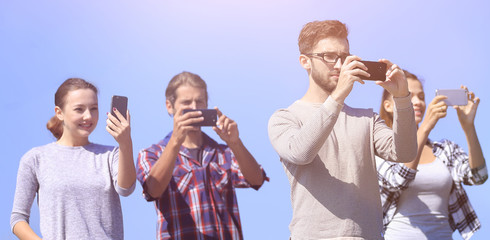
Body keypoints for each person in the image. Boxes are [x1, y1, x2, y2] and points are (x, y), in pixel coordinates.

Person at [267, 20, 418, 239]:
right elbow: (301, 153)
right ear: (305, 61)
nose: (339, 65)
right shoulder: (284, 118)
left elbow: (405, 153)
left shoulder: (367, 118)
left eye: (344, 57)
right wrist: (338, 96)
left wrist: (402, 98)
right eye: (329, 56)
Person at [136, 71, 268, 240]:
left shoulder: (224, 153)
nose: (194, 108)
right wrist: (176, 141)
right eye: (186, 102)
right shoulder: (151, 154)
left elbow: (256, 179)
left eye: (199, 102)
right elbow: (152, 191)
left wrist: (235, 142)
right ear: (170, 106)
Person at [10, 78, 136, 240]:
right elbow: (18, 219)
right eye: (79, 109)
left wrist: (125, 142)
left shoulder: (111, 155)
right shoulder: (35, 159)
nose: (88, 116)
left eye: (94, 108)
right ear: (59, 113)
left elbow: (126, 189)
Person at [377, 71, 488, 240]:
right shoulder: (382, 148)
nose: (418, 102)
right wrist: (426, 126)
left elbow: (479, 176)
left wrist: (468, 127)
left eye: (421, 96)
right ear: (388, 106)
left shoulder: (444, 149)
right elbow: (400, 179)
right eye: (408, 95)